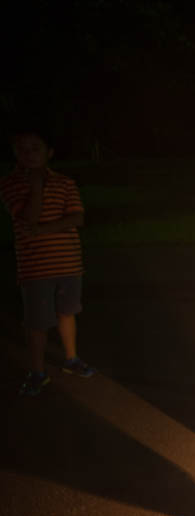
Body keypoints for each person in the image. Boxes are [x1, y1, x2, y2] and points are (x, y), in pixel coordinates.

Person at [0, 128, 96, 397]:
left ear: (49, 152)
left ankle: (71, 359)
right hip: (35, 267)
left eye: (35, 148)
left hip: (68, 263)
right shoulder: (9, 184)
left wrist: (42, 231)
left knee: (68, 312)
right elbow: (28, 218)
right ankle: (37, 371)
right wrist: (37, 187)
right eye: (22, 149)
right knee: (37, 322)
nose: (29, 154)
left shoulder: (65, 183)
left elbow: (77, 219)